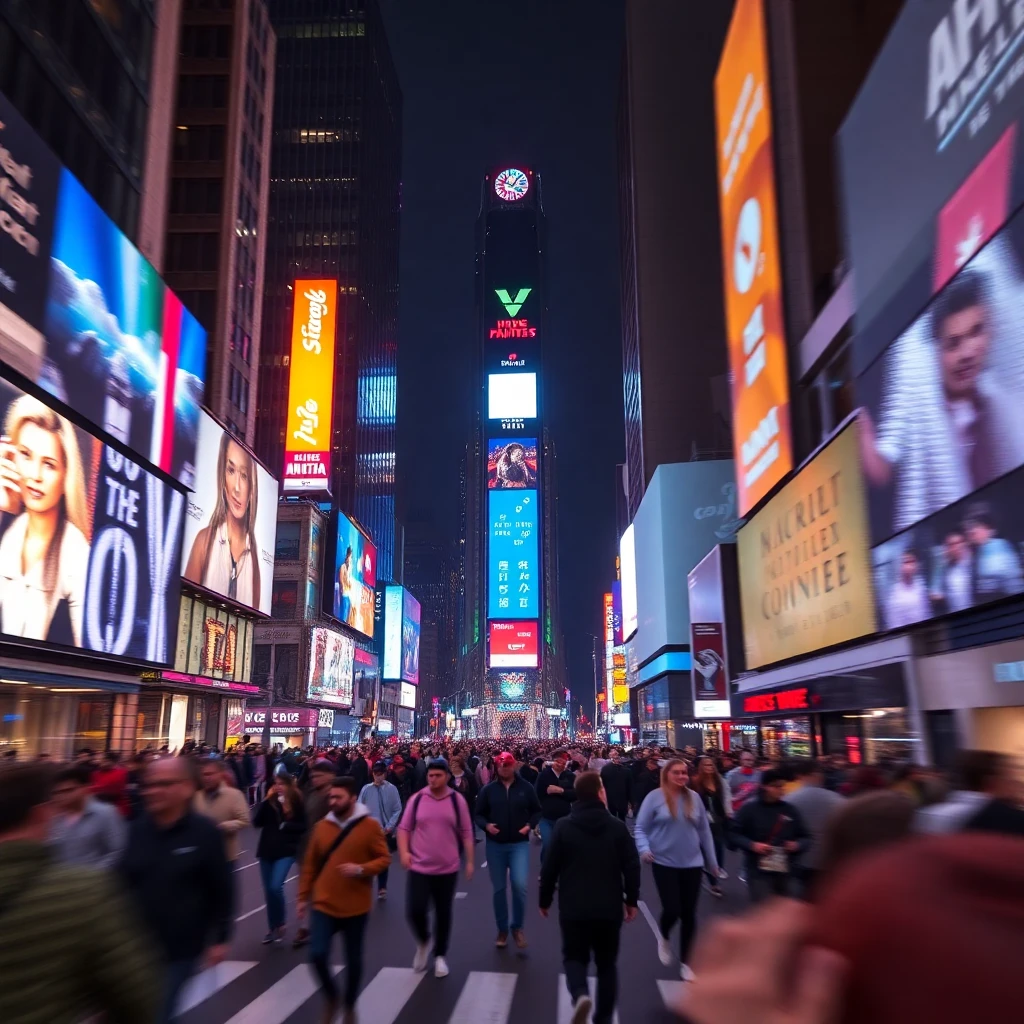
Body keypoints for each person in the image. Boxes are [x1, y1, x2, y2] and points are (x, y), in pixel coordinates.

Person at [0, 761, 158, 1023]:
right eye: (56, 796)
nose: (60, 800)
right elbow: (136, 994)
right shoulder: (89, 896)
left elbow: (118, 850)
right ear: (41, 813)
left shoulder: (105, 815)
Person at [120, 756, 233, 1024]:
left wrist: (221, 937)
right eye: (148, 785)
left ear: (186, 787)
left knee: (159, 1012)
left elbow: (222, 887)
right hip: (133, 944)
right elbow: (120, 883)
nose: (153, 791)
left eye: (164, 784)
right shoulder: (135, 830)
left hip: (180, 947)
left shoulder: (205, 833)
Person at [539, 771, 640, 1024]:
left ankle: (580, 994)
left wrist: (544, 899)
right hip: (608, 906)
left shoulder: (564, 826)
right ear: (600, 792)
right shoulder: (617, 827)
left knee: (574, 957)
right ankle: (604, 1018)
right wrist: (631, 900)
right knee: (607, 965)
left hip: (573, 905)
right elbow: (632, 866)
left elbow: (550, 867)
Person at [297, 776, 390, 1024]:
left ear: (351, 798)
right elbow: (310, 865)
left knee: (354, 961)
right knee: (317, 955)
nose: (333, 801)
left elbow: (384, 859)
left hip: (355, 906)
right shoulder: (322, 827)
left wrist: (360, 869)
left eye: (338, 797)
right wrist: (302, 897)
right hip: (324, 903)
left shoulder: (369, 827)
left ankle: (349, 1004)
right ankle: (332, 997)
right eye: (331, 797)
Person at [0, 395, 91, 646]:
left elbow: (90, 654)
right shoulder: (8, 531)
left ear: (65, 476)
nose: (34, 475)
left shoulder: (76, 551)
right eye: (25, 455)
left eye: (49, 465)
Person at [634, 758, 720, 981]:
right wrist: (644, 849)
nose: (682, 777)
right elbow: (641, 828)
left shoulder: (694, 798)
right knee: (672, 909)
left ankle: (687, 962)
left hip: (692, 863)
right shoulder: (654, 798)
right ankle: (664, 937)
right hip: (664, 862)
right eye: (677, 773)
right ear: (666, 775)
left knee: (690, 914)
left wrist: (712, 863)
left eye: (684, 773)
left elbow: (704, 832)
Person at [398, 760, 474, 978]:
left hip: (447, 867)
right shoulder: (418, 798)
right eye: (430, 776)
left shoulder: (456, 800)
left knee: (443, 913)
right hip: (419, 866)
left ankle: (440, 955)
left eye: (438, 776)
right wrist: (404, 852)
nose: (433, 779)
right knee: (415, 910)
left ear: (447, 777)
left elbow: (467, 832)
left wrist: (469, 861)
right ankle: (423, 941)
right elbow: (404, 828)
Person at [183, 429, 262, 607]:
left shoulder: (254, 558)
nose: (237, 487)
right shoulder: (204, 541)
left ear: (252, 486)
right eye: (231, 470)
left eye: (244, 475)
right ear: (222, 475)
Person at [474, 750, 542, 949]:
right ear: (497, 767)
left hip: (519, 844)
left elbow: (537, 810)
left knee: (520, 886)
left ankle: (517, 927)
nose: (505, 769)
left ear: (514, 765)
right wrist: (486, 826)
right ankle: (502, 929)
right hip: (495, 845)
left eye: (508, 765)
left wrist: (529, 825)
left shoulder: (526, 788)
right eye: (501, 765)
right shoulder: (488, 790)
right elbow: (478, 814)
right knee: (499, 889)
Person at [732, 768, 811, 903]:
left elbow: (806, 837)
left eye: (782, 786)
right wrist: (752, 845)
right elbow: (733, 834)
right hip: (758, 871)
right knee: (764, 910)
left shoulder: (790, 809)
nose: (781, 790)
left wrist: (797, 844)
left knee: (784, 912)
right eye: (776, 786)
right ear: (765, 787)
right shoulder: (749, 809)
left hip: (785, 870)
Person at [253, 766, 307, 944]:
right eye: (276, 784)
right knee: (269, 891)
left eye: (282, 784)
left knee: (276, 886)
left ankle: (282, 921)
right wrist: (265, 802)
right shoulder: (270, 802)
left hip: (286, 850)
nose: (278, 787)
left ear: (289, 785)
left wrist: (287, 824)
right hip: (266, 850)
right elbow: (256, 822)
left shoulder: (297, 801)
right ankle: (272, 928)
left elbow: (303, 826)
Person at [917, 749, 1024, 837]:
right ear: (992, 782)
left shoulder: (927, 815)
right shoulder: (1010, 820)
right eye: (1009, 777)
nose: (1017, 782)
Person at [50, 761, 127, 870]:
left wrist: (94, 876)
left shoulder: (106, 813)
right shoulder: (55, 817)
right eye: (58, 792)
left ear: (84, 788)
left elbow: (117, 850)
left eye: (68, 790)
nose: (62, 796)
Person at [784, 760, 846, 896]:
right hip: (829, 860)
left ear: (799, 776)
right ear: (818, 776)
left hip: (800, 859)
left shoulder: (789, 800)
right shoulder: (837, 799)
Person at [193, 754, 251, 863]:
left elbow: (245, 820)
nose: (206, 778)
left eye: (209, 774)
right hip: (199, 855)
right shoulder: (195, 796)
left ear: (220, 774)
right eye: (203, 775)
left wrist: (222, 826)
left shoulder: (234, 795)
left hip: (225, 855)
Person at [359, 760, 402, 900]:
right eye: (376, 773)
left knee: (382, 859)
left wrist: (390, 826)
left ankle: (382, 887)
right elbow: (359, 807)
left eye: (380, 774)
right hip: (369, 830)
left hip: (385, 831)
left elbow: (397, 809)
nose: (378, 776)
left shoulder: (392, 789)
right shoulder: (366, 789)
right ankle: (366, 886)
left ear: (385, 774)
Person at [964, 503, 1024, 603]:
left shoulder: (998, 546)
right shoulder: (979, 551)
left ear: (987, 528)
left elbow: (1010, 585)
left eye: (975, 526)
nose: (971, 531)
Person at [690, 755, 732, 897]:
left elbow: (726, 796)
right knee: (705, 850)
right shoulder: (695, 782)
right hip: (702, 822)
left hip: (718, 821)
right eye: (706, 765)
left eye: (711, 765)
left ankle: (716, 869)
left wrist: (728, 811)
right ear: (701, 767)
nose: (709, 768)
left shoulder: (720, 781)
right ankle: (713, 882)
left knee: (719, 849)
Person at [535, 747, 576, 862]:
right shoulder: (543, 775)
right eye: (558, 762)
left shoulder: (570, 776)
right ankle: (546, 871)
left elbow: (575, 794)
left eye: (563, 763)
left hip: (565, 817)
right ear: (553, 761)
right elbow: (537, 795)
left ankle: (561, 871)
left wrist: (561, 791)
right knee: (548, 845)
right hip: (546, 818)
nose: (560, 765)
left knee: (564, 846)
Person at [884, 548, 931, 629]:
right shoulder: (894, 594)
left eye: (913, 562)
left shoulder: (921, 586)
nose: (910, 566)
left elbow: (927, 613)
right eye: (906, 562)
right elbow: (894, 625)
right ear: (899, 566)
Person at [930, 530, 973, 614]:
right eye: (952, 545)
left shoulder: (973, 563)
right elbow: (934, 595)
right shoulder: (944, 569)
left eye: (959, 543)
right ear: (947, 548)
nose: (956, 547)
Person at [724, 749, 761, 815]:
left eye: (751, 760)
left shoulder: (759, 774)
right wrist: (729, 812)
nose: (749, 762)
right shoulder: (732, 775)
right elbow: (726, 794)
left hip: (755, 811)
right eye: (746, 760)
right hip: (737, 812)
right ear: (741, 760)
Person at [600, 747, 632, 821]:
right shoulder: (626, 770)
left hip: (613, 796)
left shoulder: (605, 769)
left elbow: (602, 783)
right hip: (619, 796)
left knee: (614, 816)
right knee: (620, 817)